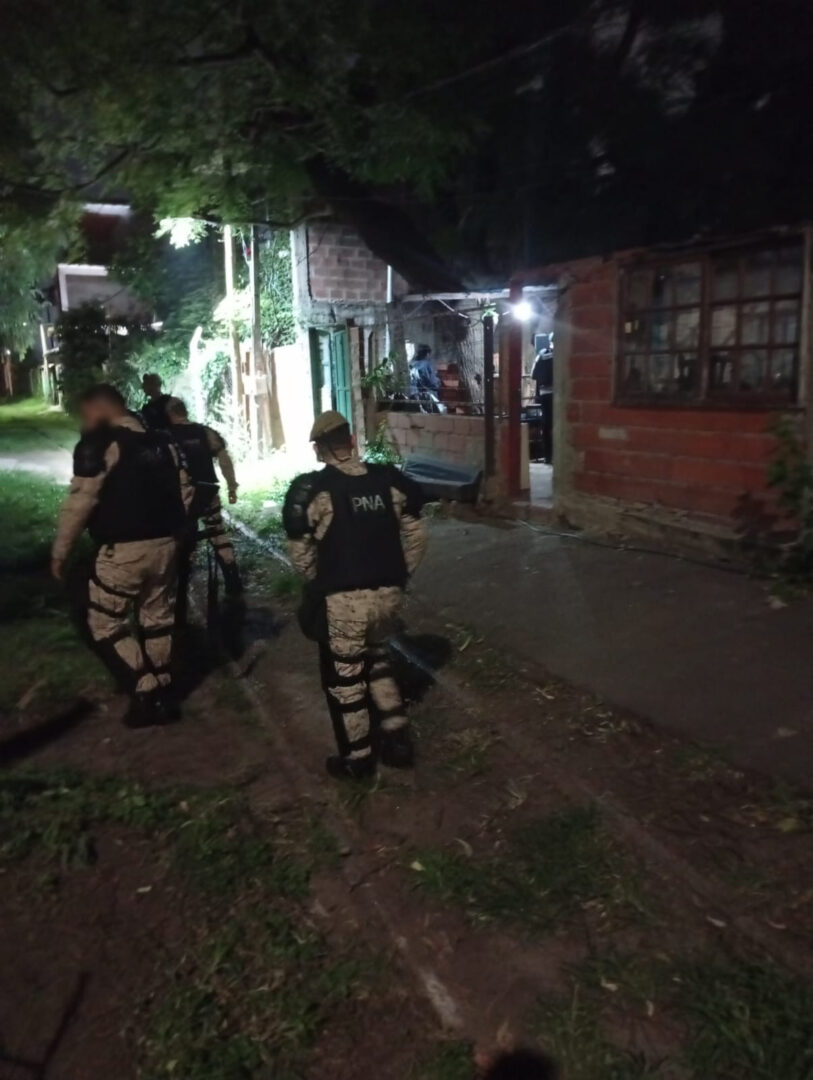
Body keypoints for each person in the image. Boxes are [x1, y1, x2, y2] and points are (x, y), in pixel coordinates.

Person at [282, 410, 426, 780]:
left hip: (344, 601)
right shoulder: (388, 481)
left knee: (345, 678)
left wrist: (320, 582)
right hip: (388, 596)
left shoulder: (315, 491)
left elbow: (301, 553)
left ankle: (358, 758)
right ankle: (397, 740)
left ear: (319, 449)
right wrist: (400, 577)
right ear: (351, 440)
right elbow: (417, 536)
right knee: (378, 660)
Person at [51, 383, 192, 727]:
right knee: (157, 618)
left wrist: (60, 552)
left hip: (123, 552)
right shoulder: (164, 442)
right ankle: (164, 690)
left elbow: (81, 502)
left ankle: (145, 691)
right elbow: (185, 491)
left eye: (86, 414)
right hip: (166, 546)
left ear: (101, 409)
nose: (85, 422)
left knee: (101, 620)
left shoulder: (103, 444)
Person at [165, 397, 243, 597]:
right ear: (185, 411)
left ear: (169, 414)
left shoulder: (166, 436)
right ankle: (233, 582)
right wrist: (231, 486)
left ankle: (179, 588)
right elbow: (224, 459)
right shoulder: (205, 432)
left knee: (179, 539)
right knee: (217, 533)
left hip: (183, 496)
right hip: (208, 491)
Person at [531, 346, 554, 464]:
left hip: (545, 393)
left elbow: (533, 374)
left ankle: (548, 457)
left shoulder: (541, 354)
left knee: (546, 425)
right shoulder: (561, 353)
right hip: (559, 393)